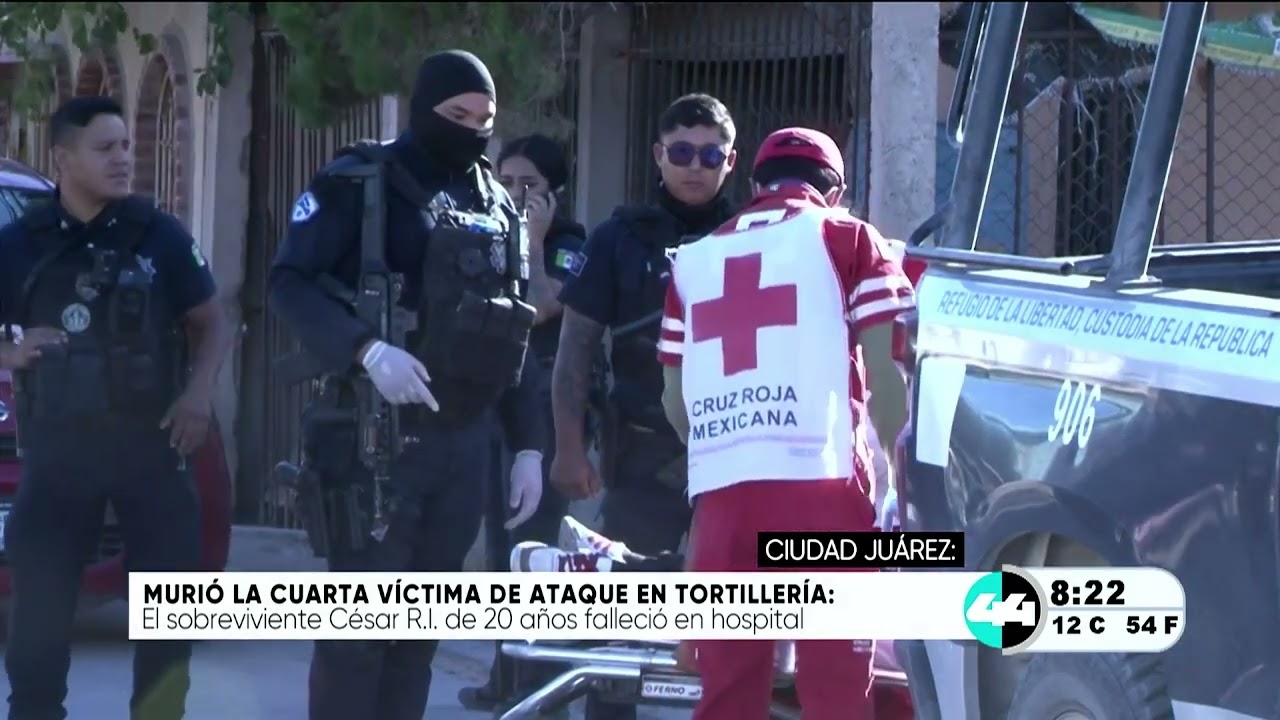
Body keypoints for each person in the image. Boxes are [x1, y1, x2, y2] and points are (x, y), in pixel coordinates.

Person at [266, 50, 546, 720]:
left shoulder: (496, 203)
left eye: (484, 119)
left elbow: (511, 328)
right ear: (423, 109)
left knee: (416, 639)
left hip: (463, 444)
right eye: (457, 115)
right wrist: (365, 350)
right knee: (358, 637)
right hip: (375, 444)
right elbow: (288, 283)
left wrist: (530, 445)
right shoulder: (359, 182)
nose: (473, 130)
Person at [656, 127, 916, 720]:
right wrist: (897, 485)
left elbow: (675, 401)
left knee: (727, 696)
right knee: (836, 696)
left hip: (725, 506)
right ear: (836, 191)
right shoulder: (848, 236)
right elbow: (887, 378)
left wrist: (728, 451)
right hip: (822, 494)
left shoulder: (692, 261)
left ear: (755, 185)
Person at [0, 96, 233, 720]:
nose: (123, 158)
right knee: (39, 621)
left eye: (127, 145)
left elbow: (212, 322)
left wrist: (198, 395)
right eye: (105, 148)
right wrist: (10, 352)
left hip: (150, 449)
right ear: (62, 159)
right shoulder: (21, 243)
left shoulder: (158, 234)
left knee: (170, 619)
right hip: (59, 454)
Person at [551, 93, 738, 720]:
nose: (694, 166)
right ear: (658, 155)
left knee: (743, 625)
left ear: (731, 161)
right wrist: (569, 448)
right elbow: (575, 349)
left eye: (709, 155)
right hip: (643, 455)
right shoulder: (618, 238)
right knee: (618, 629)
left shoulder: (755, 235)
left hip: (734, 456)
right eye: (681, 152)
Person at [460, 134, 588, 714]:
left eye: (528, 185)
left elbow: (540, 307)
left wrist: (532, 242)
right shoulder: (482, 234)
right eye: (505, 182)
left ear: (553, 192)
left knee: (532, 546)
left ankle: (538, 682)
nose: (514, 194)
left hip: (544, 412)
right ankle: (506, 673)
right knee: (499, 545)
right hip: (494, 403)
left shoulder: (569, 244)